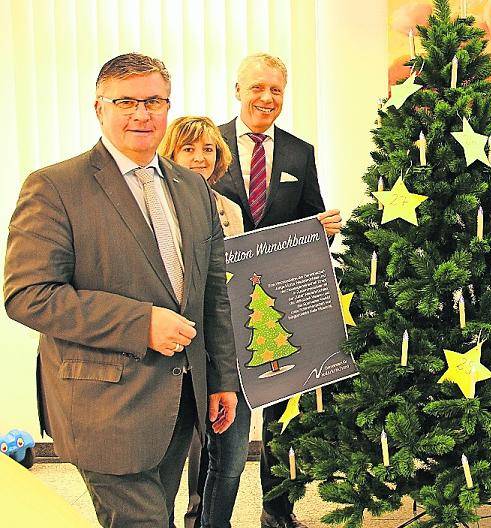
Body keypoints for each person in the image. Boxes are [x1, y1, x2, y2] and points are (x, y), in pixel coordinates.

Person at [3, 53, 239, 528]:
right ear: (99, 108)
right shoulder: (54, 187)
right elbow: (28, 294)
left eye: (154, 101)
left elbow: (213, 293)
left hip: (181, 403)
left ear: (167, 106)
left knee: (159, 516)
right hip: (103, 408)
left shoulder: (193, 188)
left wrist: (222, 378)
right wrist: (140, 323)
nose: (141, 113)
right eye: (126, 101)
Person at [212, 53, 342, 528]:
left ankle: (277, 510)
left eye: (276, 90)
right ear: (237, 90)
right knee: (220, 417)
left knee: (283, 415)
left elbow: (313, 221)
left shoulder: (298, 152)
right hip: (221, 307)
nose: (266, 98)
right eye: (257, 88)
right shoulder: (209, 145)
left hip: (279, 307)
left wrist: (323, 230)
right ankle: (205, 516)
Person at [159, 116, 247, 528]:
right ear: (171, 154)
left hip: (225, 343)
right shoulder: (158, 205)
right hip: (178, 348)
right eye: (188, 149)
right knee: (173, 457)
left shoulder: (231, 210)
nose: (199, 157)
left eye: (207, 149)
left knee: (230, 455)